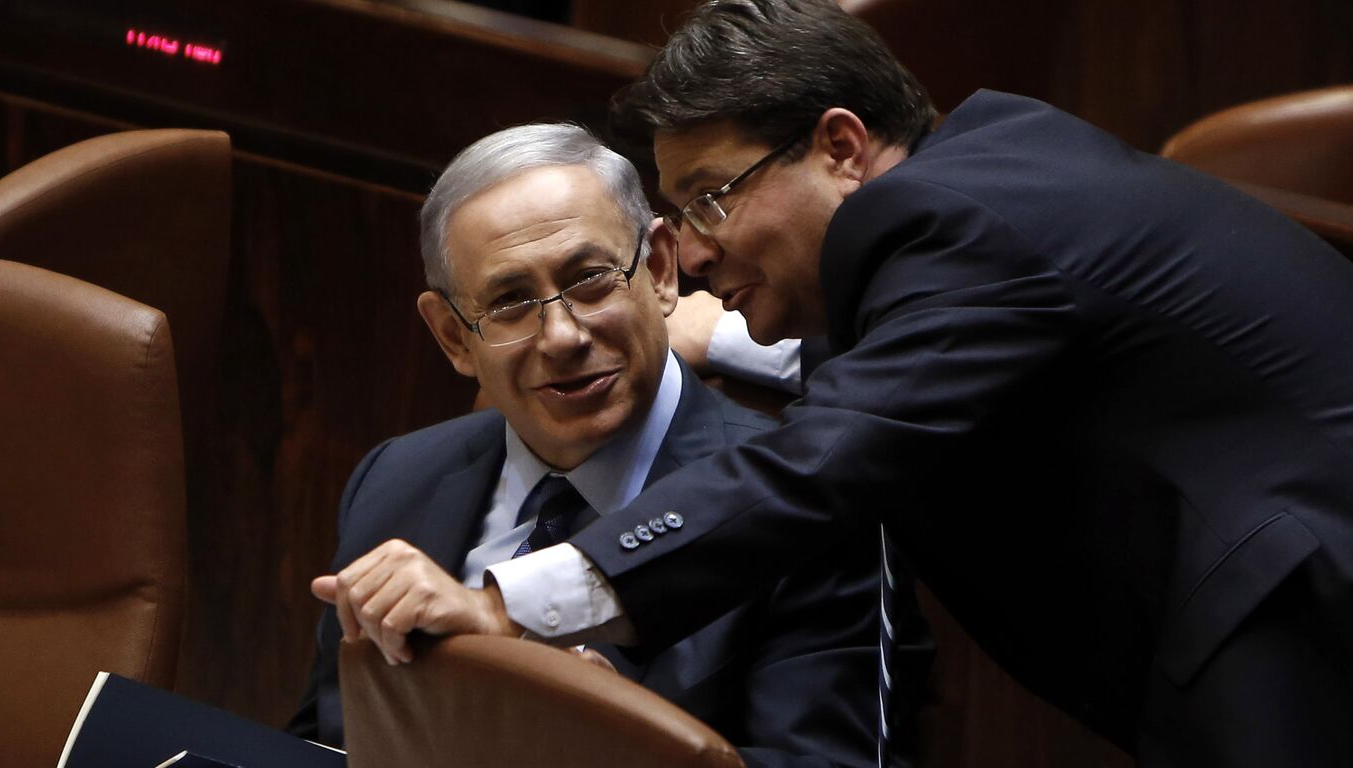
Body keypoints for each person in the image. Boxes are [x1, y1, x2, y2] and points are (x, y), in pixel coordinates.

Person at [317, 1, 1353, 766]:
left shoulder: (951, 221)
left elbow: (837, 455)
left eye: (710, 199)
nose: (690, 252)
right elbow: (936, 372)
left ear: (842, 146)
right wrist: (721, 341)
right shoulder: (988, 191)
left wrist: (514, 605)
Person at [288, 122, 923, 767]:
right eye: (509, 303)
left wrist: (617, 740)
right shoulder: (397, 479)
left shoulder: (808, 508)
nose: (562, 336)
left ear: (660, 269)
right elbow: (326, 737)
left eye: (590, 279)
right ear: (454, 337)